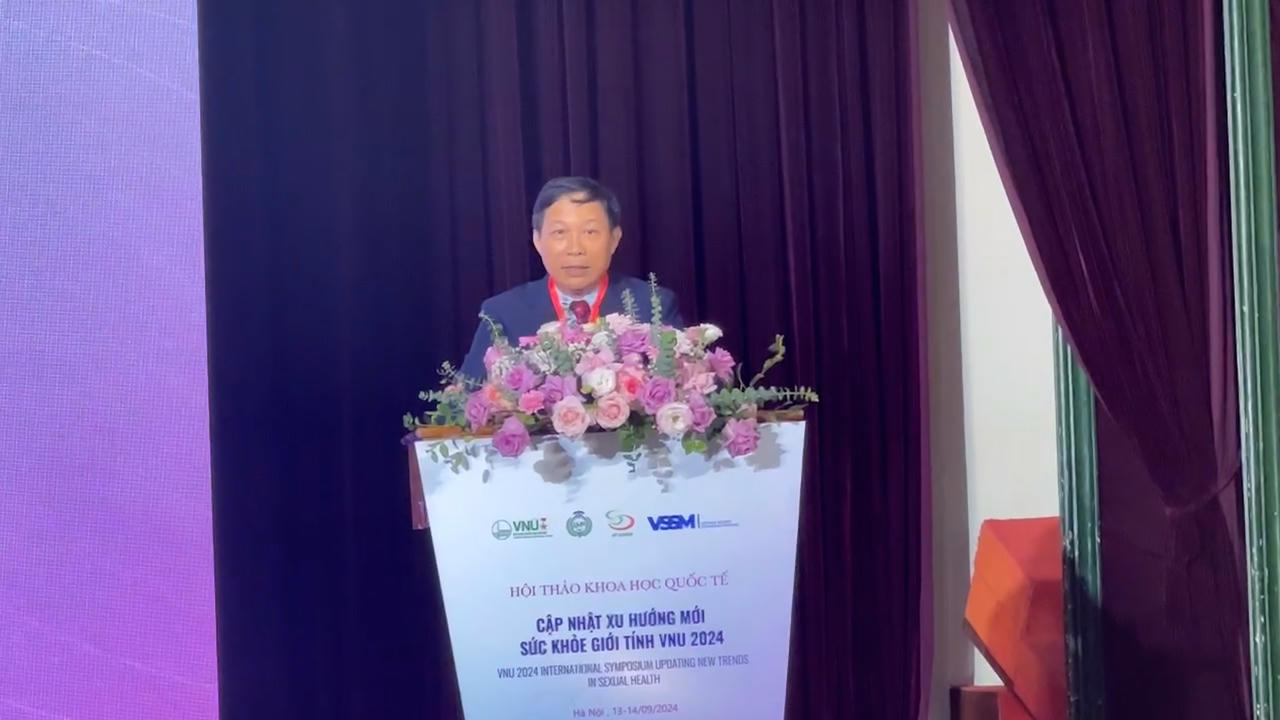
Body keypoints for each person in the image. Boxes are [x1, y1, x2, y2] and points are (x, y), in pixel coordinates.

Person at [459, 176, 685, 380]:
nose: (575, 249)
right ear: (538, 240)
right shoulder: (502, 314)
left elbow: (680, 388)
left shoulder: (653, 305)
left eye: (590, 232)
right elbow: (465, 402)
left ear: (614, 239)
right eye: (560, 232)